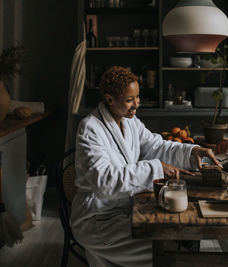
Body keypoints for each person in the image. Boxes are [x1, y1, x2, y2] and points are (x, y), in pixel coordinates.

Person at [71, 66, 220, 267]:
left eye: (138, 97)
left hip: (125, 210)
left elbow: (156, 145)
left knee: (176, 242)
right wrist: (157, 168)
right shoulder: (90, 129)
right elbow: (104, 181)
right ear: (109, 99)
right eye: (129, 99)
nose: (137, 104)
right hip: (98, 219)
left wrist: (191, 151)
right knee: (168, 254)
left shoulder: (130, 122)